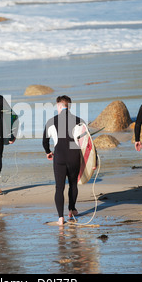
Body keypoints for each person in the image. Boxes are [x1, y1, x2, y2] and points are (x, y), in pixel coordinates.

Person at [43, 95, 84, 225]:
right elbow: (86, 143)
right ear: (69, 106)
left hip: (59, 155)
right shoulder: (79, 121)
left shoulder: (51, 121)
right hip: (74, 156)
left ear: (59, 106)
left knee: (59, 187)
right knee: (73, 184)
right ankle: (71, 210)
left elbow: (44, 141)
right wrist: (91, 162)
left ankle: (61, 218)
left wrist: (48, 152)